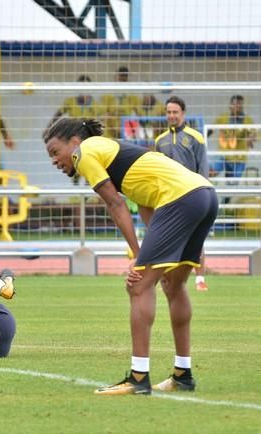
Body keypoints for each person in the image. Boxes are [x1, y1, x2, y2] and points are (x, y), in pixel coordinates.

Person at [44, 118, 217, 395]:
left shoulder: (85, 152)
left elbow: (115, 203)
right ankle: (182, 375)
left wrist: (139, 256)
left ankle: (138, 378)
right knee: (174, 285)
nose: (54, 160)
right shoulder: (119, 153)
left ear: (74, 142)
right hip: (205, 196)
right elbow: (147, 203)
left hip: (181, 199)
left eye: (55, 151)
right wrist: (146, 252)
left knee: (138, 285)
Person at [155, 96, 210, 291]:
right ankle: (169, 278)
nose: (171, 115)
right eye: (168, 112)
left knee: (197, 237)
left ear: (183, 114)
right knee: (167, 239)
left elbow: (203, 169)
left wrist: (204, 193)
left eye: (175, 112)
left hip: (193, 196)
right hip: (169, 199)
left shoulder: (196, 138)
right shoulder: (159, 141)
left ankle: (200, 279)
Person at [46, 75, 97, 185]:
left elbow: (99, 119)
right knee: (75, 165)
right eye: (81, 86)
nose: (84, 90)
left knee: (89, 167)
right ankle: (76, 194)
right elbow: (58, 114)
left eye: (86, 86)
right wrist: (48, 129)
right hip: (73, 139)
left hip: (88, 139)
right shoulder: (70, 101)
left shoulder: (95, 104)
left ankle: (90, 196)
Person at [211, 95, 255, 180]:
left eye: (240, 104)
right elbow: (211, 129)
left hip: (239, 157)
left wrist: (251, 138)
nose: (238, 106)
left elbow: (253, 132)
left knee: (234, 181)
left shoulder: (247, 119)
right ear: (230, 105)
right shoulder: (223, 117)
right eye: (235, 104)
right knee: (213, 172)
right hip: (224, 154)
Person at [97, 66, 140, 140]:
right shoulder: (108, 94)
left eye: (125, 76)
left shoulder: (133, 95)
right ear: (115, 77)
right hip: (110, 132)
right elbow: (102, 116)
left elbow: (138, 116)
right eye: (121, 76)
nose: (123, 78)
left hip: (127, 132)